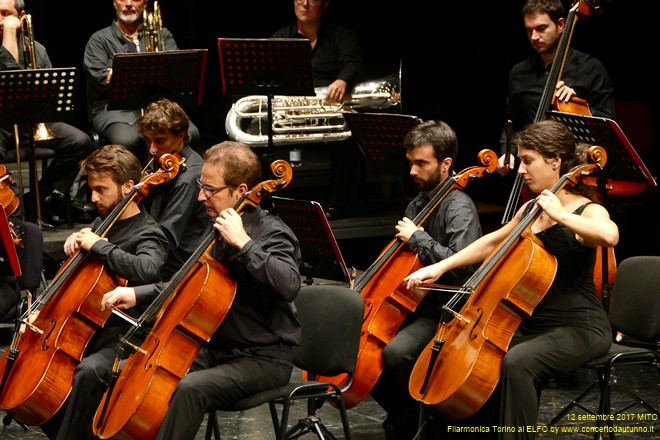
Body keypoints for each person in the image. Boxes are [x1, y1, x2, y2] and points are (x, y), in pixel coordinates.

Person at [404, 119, 618, 438]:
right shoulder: (531, 209)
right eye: (520, 161)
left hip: (580, 327)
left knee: (519, 361)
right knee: (472, 361)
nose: (520, 170)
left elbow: (609, 235)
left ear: (555, 161)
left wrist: (561, 215)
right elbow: (493, 241)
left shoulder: (586, 210)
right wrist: (439, 268)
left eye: (528, 161)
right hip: (532, 324)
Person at [100, 140, 302, 439]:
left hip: (262, 358)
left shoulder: (271, 232)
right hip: (215, 349)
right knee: (132, 374)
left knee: (190, 389)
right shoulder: (217, 227)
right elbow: (188, 281)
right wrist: (136, 294)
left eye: (210, 189)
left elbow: (289, 284)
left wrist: (244, 244)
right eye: (200, 185)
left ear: (241, 190)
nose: (200, 196)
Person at [39, 144, 170, 440]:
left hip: (124, 336)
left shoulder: (150, 232)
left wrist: (99, 245)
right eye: (91, 189)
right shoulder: (103, 222)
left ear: (127, 187)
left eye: (102, 189)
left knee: (87, 372)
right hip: (85, 329)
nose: (94, 198)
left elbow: (148, 268)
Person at [367, 120, 482, 440]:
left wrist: (418, 238)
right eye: (410, 163)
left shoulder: (459, 207)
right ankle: (405, 414)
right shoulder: (418, 202)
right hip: (411, 302)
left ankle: (425, 417)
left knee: (394, 353)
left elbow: (463, 269)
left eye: (422, 163)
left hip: (444, 308)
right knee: (355, 349)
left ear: (446, 164)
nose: (413, 171)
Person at [0, 0, 95, 225]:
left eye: (5, 14)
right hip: (1, 125)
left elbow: (49, 94)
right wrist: (9, 38)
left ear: (21, 16)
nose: (0, 20)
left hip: (31, 122)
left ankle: (38, 198)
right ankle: (10, 208)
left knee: (81, 142)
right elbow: (9, 73)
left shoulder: (37, 48)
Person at [497, 0, 616, 176]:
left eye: (541, 28)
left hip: (575, 169)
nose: (534, 37)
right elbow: (511, 125)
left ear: (561, 25)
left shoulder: (590, 68)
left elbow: (609, 124)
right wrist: (508, 153)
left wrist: (579, 107)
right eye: (529, 30)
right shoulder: (519, 72)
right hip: (532, 172)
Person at [271, 0, 366, 218]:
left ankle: (340, 205)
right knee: (260, 139)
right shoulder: (280, 38)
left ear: (324, 4)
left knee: (346, 139)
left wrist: (343, 80)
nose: (304, 4)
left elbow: (354, 63)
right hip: (291, 116)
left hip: (328, 114)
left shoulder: (341, 34)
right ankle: (268, 203)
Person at [83, 0, 200, 163]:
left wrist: (119, 74)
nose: (129, 4)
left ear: (145, 4)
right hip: (115, 110)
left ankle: (177, 181)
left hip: (158, 107)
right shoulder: (99, 39)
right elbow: (99, 78)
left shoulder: (162, 34)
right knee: (129, 140)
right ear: (114, 3)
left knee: (191, 133)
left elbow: (176, 70)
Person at [137, 98, 210, 280]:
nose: (152, 149)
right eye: (148, 140)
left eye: (160, 140)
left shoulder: (188, 178)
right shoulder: (163, 162)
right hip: (157, 250)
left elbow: (166, 238)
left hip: (178, 265)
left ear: (180, 136)